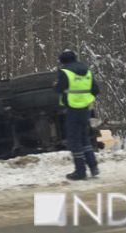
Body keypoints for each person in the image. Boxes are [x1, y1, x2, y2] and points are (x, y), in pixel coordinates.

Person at [56, 50, 100, 180]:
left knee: (75, 141)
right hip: (85, 109)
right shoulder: (87, 71)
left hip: (72, 109)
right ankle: (93, 167)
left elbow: (59, 89)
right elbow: (96, 90)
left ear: (62, 61)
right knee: (85, 139)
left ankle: (80, 171)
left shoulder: (65, 72)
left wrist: (57, 87)